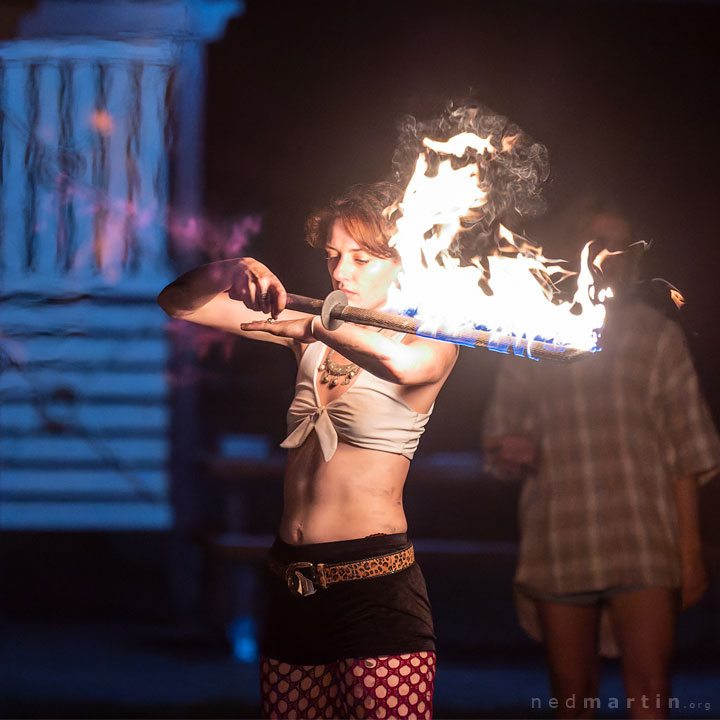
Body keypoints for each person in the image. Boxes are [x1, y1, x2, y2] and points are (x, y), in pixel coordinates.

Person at [158, 181, 458, 720]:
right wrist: (232, 268)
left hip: (374, 585)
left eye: (362, 259)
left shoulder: (431, 337)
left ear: (406, 263)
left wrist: (315, 325)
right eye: (333, 256)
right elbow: (178, 303)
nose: (341, 273)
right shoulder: (311, 334)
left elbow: (403, 368)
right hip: (291, 582)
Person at [483, 203, 720, 719]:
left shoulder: (659, 335)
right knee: (573, 694)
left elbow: (688, 451)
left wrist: (690, 553)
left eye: (622, 244)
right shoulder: (536, 331)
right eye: (599, 240)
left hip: (644, 540)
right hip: (560, 535)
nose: (611, 255)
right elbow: (501, 437)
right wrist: (511, 450)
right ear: (579, 249)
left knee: (650, 689)